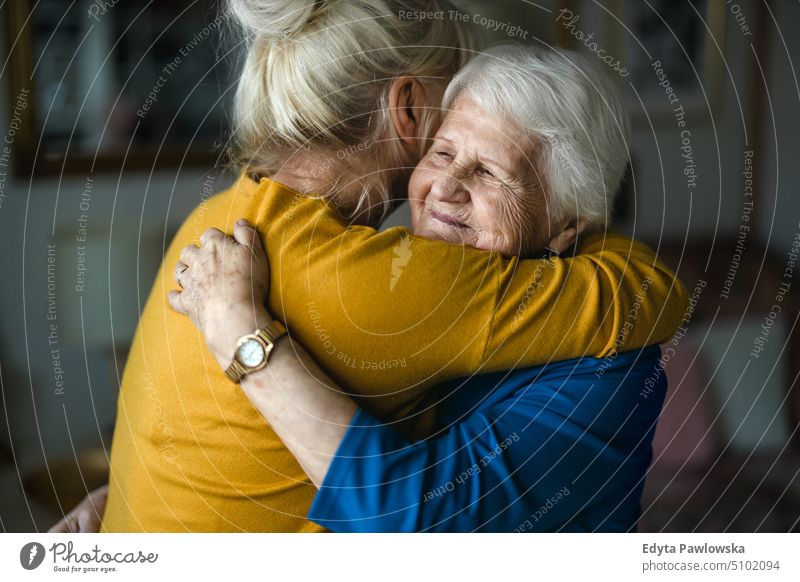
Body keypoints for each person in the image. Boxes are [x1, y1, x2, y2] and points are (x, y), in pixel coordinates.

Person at [55, 1, 686, 532]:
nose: (446, 186)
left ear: (568, 221)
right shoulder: (386, 283)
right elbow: (655, 293)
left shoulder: (211, 223)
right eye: (442, 147)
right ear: (409, 111)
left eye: (491, 172)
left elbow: (416, 525)